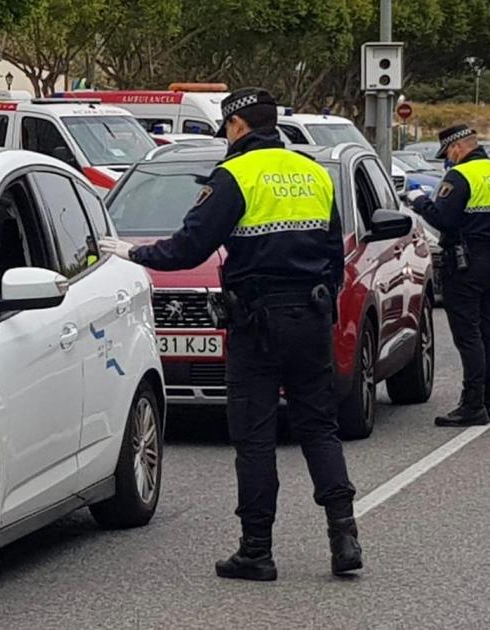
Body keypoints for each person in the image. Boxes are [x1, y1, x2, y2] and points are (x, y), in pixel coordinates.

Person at [99, 88, 361, 580]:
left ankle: (256, 551)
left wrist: (132, 254)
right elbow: (333, 254)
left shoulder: (234, 176)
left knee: (255, 437)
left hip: (257, 322)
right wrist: (320, 299)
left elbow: (189, 248)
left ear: (238, 127)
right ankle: (344, 537)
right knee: (318, 428)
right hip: (310, 318)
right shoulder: (313, 174)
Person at [404, 125, 490, 426]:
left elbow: (443, 220)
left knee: (469, 336)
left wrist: (420, 200)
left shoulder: (460, 176)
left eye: (448, 154)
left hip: (465, 263)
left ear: (456, 148)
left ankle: (472, 405)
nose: (447, 161)